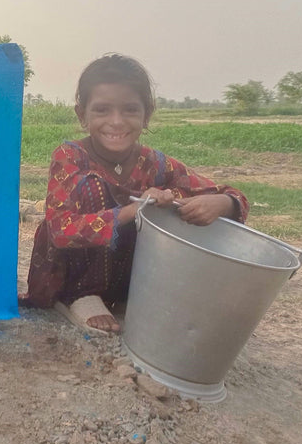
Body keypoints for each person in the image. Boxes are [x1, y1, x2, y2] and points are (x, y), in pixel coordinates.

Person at [23, 54, 249, 334]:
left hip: (130, 279)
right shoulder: (70, 156)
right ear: (82, 115)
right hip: (70, 275)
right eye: (102, 110)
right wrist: (132, 210)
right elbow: (59, 229)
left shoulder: (155, 163)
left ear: (147, 114)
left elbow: (232, 195)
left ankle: (132, 295)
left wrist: (221, 202)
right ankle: (83, 297)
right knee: (98, 188)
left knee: (173, 196)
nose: (116, 122)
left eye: (130, 110)